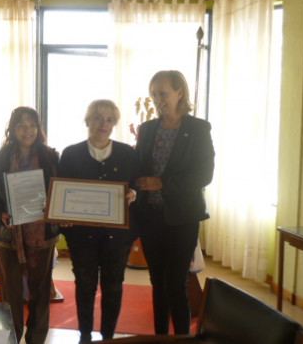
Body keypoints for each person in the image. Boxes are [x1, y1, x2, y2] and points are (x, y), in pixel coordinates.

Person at [134, 70, 215, 334]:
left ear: (180, 92)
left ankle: (181, 338)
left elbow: (204, 174)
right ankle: (160, 337)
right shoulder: (146, 130)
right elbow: (137, 168)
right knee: (157, 282)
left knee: (177, 283)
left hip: (183, 219)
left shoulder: (198, 129)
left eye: (163, 93)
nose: (158, 99)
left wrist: (163, 183)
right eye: (154, 94)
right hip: (150, 217)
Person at [58, 99, 139, 344]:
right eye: (97, 117)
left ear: (115, 123)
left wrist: (134, 193)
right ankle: (84, 335)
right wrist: (64, 216)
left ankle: (108, 338)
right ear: (87, 121)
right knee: (85, 286)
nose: (103, 123)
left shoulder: (127, 154)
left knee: (113, 287)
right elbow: (62, 192)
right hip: (82, 236)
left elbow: (137, 185)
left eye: (109, 119)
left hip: (117, 237)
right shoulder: (71, 153)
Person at [0, 107, 60, 344]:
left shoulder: (51, 157)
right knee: (11, 291)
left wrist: (58, 210)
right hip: (9, 234)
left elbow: (60, 191)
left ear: (39, 128)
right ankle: (12, 337)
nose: (28, 131)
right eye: (22, 125)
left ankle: (36, 338)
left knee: (41, 289)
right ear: (12, 129)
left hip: (43, 233)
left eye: (33, 125)